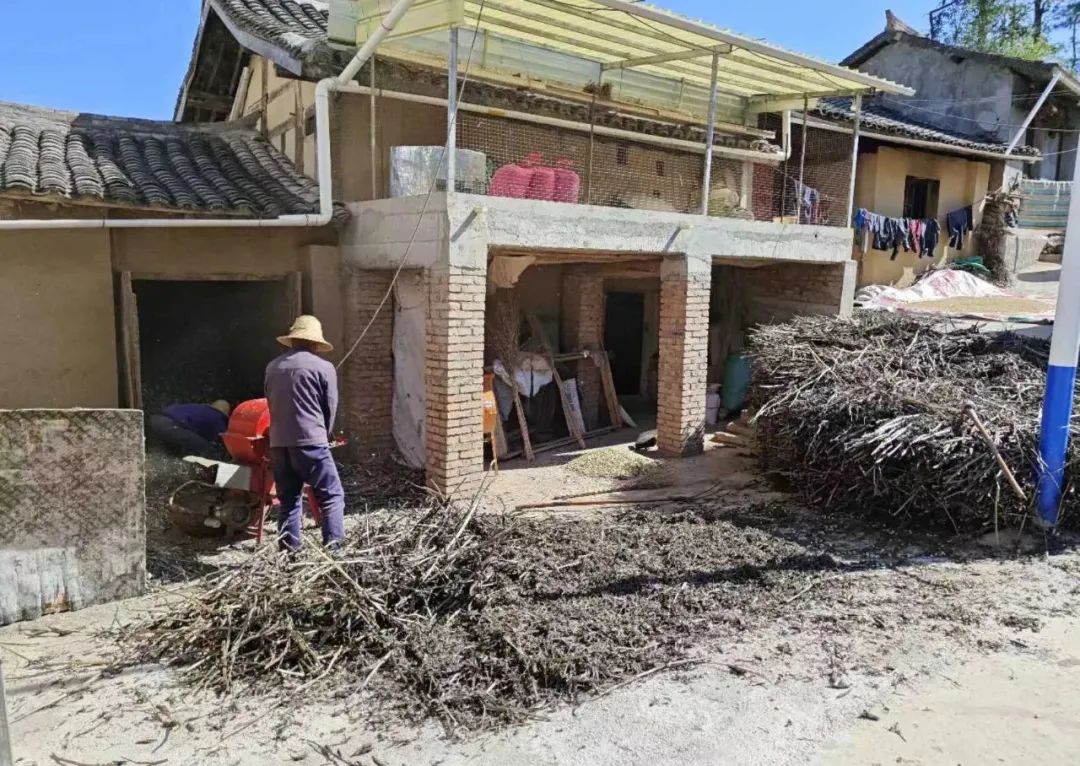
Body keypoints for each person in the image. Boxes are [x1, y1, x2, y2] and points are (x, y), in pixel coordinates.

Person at [264, 315, 345, 551]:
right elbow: (330, 406)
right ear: (315, 342)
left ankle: (289, 555)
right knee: (332, 496)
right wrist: (326, 434)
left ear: (293, 340)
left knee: (289, 500)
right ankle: (336, 553)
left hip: (279, 443)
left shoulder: (272, 366)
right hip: (311, 442)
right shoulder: (324, 367)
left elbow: (270, 403)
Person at [148, 400, 231, 457]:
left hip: (155, 419)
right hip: (170, 426)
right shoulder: (218, 417)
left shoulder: (199, 408)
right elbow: (224, 440)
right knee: (208, 449)